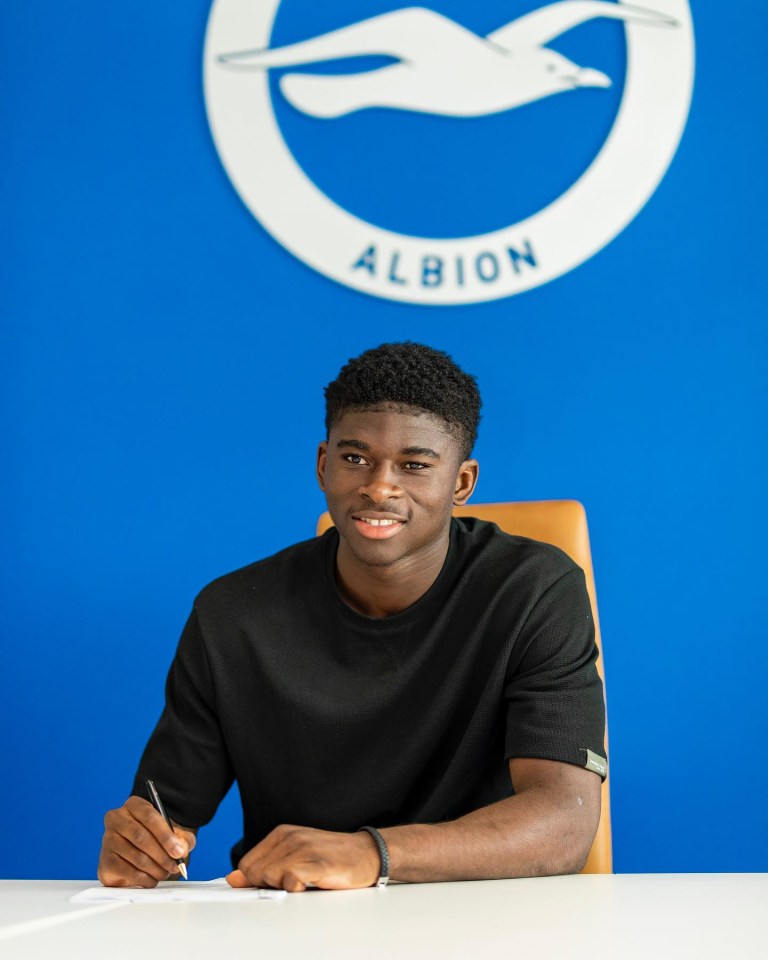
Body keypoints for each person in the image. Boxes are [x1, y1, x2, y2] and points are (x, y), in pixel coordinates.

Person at [98, 342, 606, 891]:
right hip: (295, 915)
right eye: (355, 458)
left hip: (480, 911)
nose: (378, 486)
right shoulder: (233, 613)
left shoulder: (533, 590)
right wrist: (142, 849)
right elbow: (163, 822)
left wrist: (374, 855)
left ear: (462, 483)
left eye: (414, 465)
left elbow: (564, 822)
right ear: (323, 465)